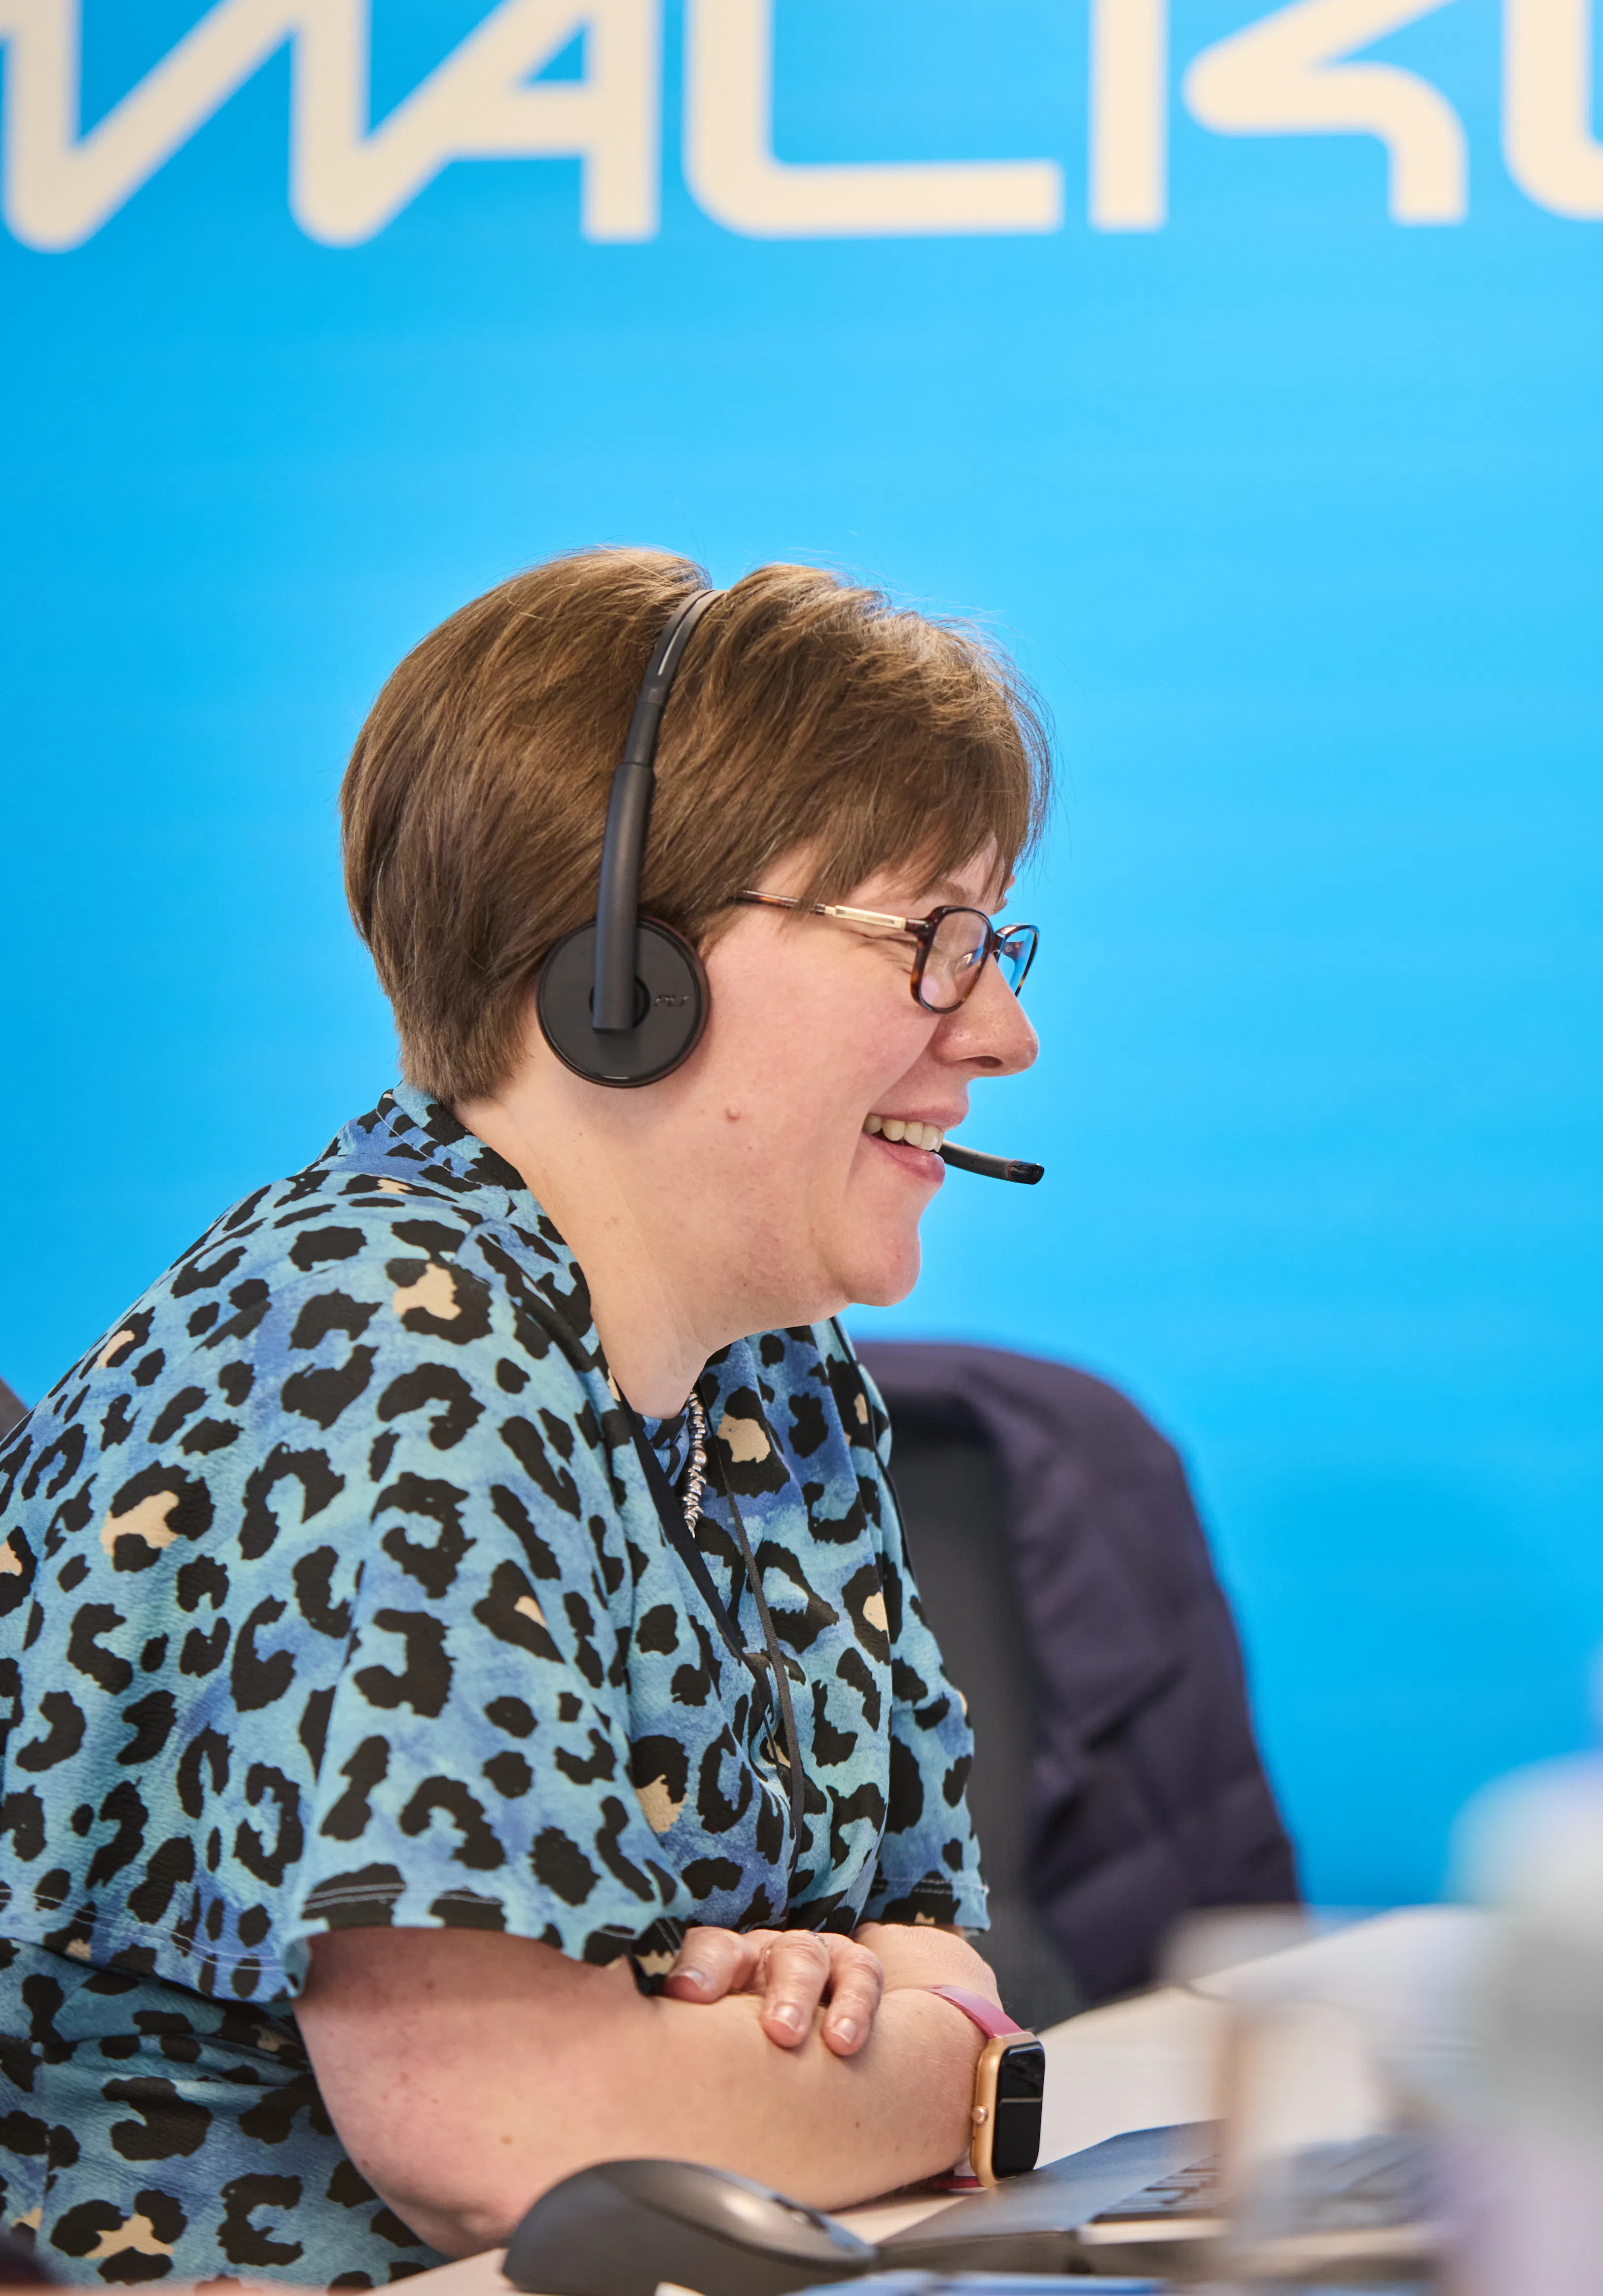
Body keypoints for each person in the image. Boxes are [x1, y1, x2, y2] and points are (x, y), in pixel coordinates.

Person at [0, 552, 1051, 2285]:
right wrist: (923, 2070)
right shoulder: (377, 1350)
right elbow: (523, 2151)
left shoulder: (767, 1372)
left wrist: (867, 2016)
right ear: (626, 973)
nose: (1001, 1028)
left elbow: (937, 1962)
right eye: (933, 939)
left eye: (993, 942)